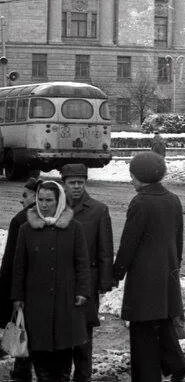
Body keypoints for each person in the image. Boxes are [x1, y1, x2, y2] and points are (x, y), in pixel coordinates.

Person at [112, 151, 185, 382]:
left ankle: (147, 376)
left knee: (142, 329)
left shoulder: (141, 201)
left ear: (142, 175)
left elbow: (129, 242)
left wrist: (117, 272)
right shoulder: (173, 199)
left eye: (133, 175)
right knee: (164, 321)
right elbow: (178, 238)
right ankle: (177, 364)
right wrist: (175, 266)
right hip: (167, 273)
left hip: (144, 278)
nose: (131, 179)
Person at [12, 180, 90, 382]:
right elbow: (19, 267)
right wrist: (17, 297)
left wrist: (82, 291)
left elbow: (82, 263)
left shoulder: (74, 228)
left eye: (49, 200)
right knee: (40, 356)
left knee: (63, 358)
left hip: (66, 301)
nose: (44, 204)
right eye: (40, 199)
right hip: (36, 303)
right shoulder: (26, 230)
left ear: (60, 201)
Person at [60, 164, 114, 382]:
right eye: (72, 183)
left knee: (84, 335)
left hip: (88, 283)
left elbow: (105, 250)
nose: (76, 187)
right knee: (62, 332)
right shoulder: (56, 207)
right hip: (61, 281)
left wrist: (104, 282)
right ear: (64, 184)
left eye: (80, 183)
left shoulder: (98, 210)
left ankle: (83, 376)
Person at [0, 179, 40, 382]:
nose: (20, 200)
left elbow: (10, 261)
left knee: (23, 328)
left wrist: (5, 291)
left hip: (22, 289)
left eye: (25, 195)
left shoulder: (20, 220)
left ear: (36, 195)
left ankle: (21, 372)